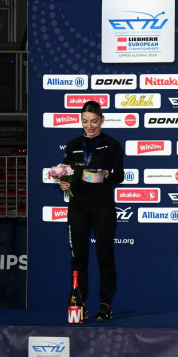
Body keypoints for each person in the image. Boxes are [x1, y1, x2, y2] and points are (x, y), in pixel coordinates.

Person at [59, 100, 124, 321]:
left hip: (103, 207)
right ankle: (80, 302)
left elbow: (120, 176)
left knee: (105, 256)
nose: (90, 126)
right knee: (78, 259)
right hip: (77, 208)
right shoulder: (72, 145)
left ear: (102, 120)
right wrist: (64, 183)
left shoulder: (112, 144)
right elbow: (66, 172)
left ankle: (105, 304)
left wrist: (106, 175)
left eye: (94, 121)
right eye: (85, 121)